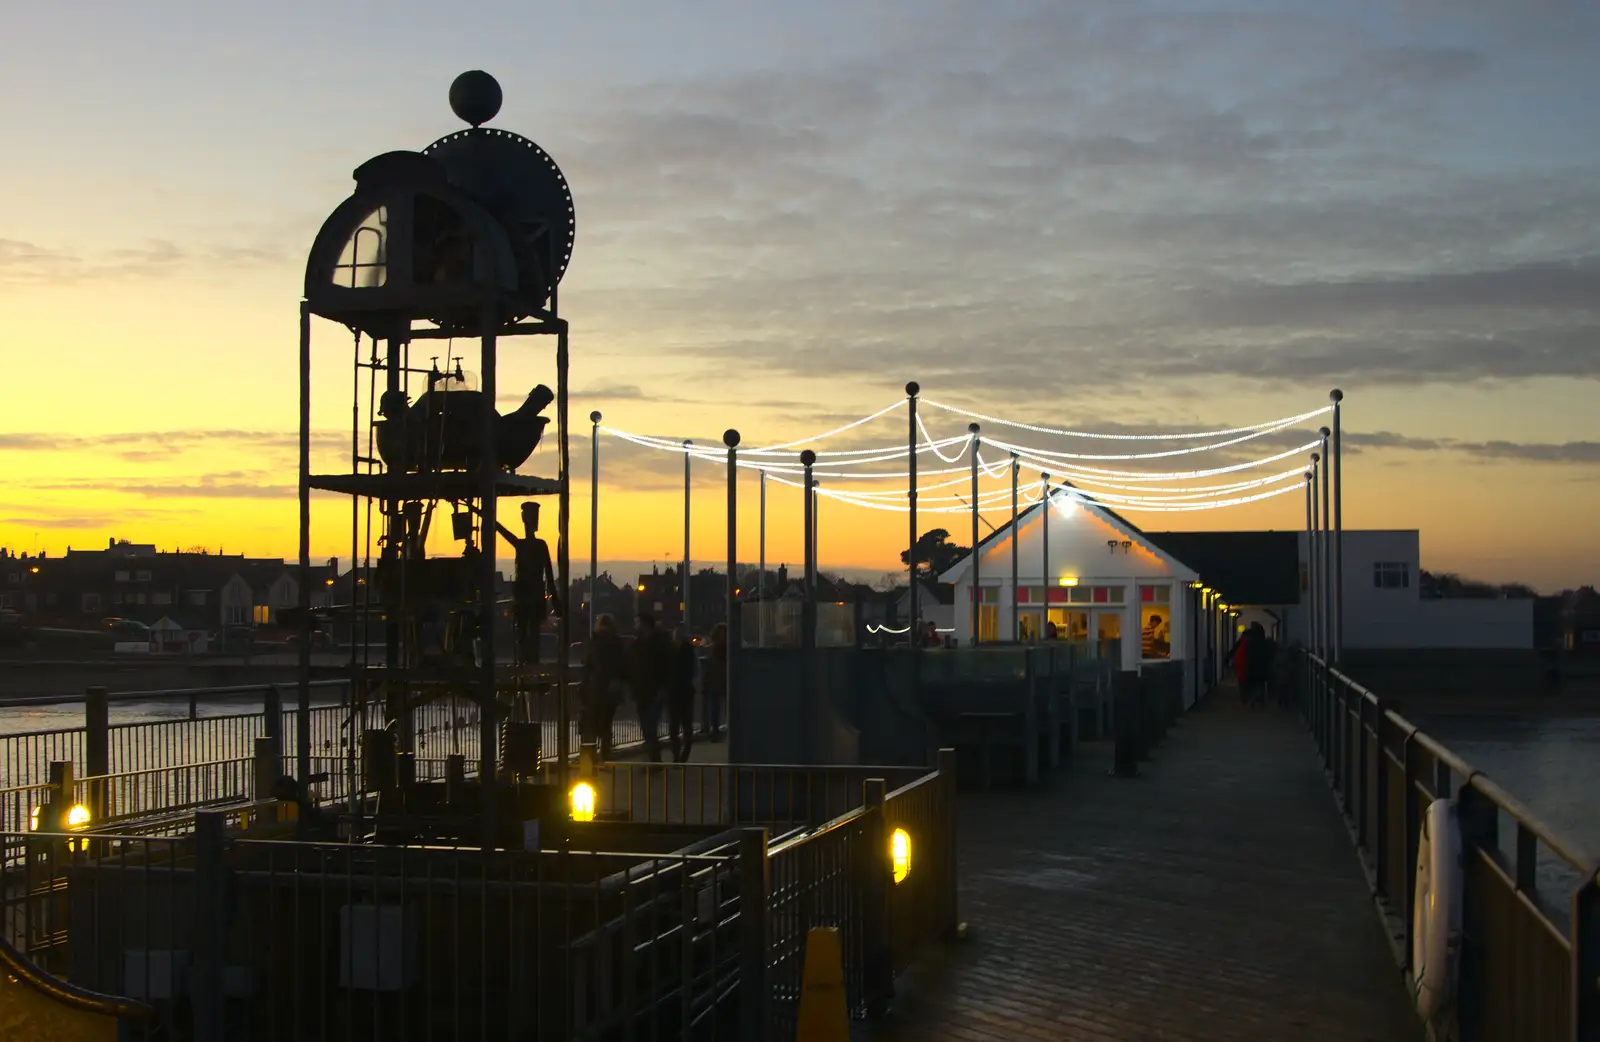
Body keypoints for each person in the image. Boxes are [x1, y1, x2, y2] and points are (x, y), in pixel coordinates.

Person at [580, 613, 628, 761]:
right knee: (605, 722)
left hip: (597, 687)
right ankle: (604, 753)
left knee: (595, 722)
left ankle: (593, 755)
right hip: (607, 689)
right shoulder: (616, 643)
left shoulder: (594, 641)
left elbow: (588, 664)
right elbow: (622, 665)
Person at [629, 612, 672, 762]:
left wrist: (663, 688)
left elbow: (666, 668)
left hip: (654, 692)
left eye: (637, 623)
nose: (635, 626)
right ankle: (653, 759)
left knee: (650, 726)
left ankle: (654, 760)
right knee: (647, 727)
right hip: (641, 691)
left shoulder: (658, 644)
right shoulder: (637, 645)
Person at [668, 626, 698, 763]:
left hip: (683, 692)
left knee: (685, 725)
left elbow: (693, 670)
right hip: (676, 692)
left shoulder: (687, 651)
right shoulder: (679, 650)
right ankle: (677, 755)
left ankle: (682, 754)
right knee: (675, 727)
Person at [701, 622, 728, 742]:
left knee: (716, 708)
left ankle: (715, 730)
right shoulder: (721, 649)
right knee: (715, 708)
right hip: (718, 681)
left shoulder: (714, 648)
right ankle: (715, 731)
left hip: (718, 681)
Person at [1245, 621, 1277, 709]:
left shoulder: (1250, 642)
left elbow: (1248, 654)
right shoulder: (1264, 642)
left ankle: (1253, 701)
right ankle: (1261, 701)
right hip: (1262, 666)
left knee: (1253, 684)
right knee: (1261, 684)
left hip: (1252, 665)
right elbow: (1268, 654)